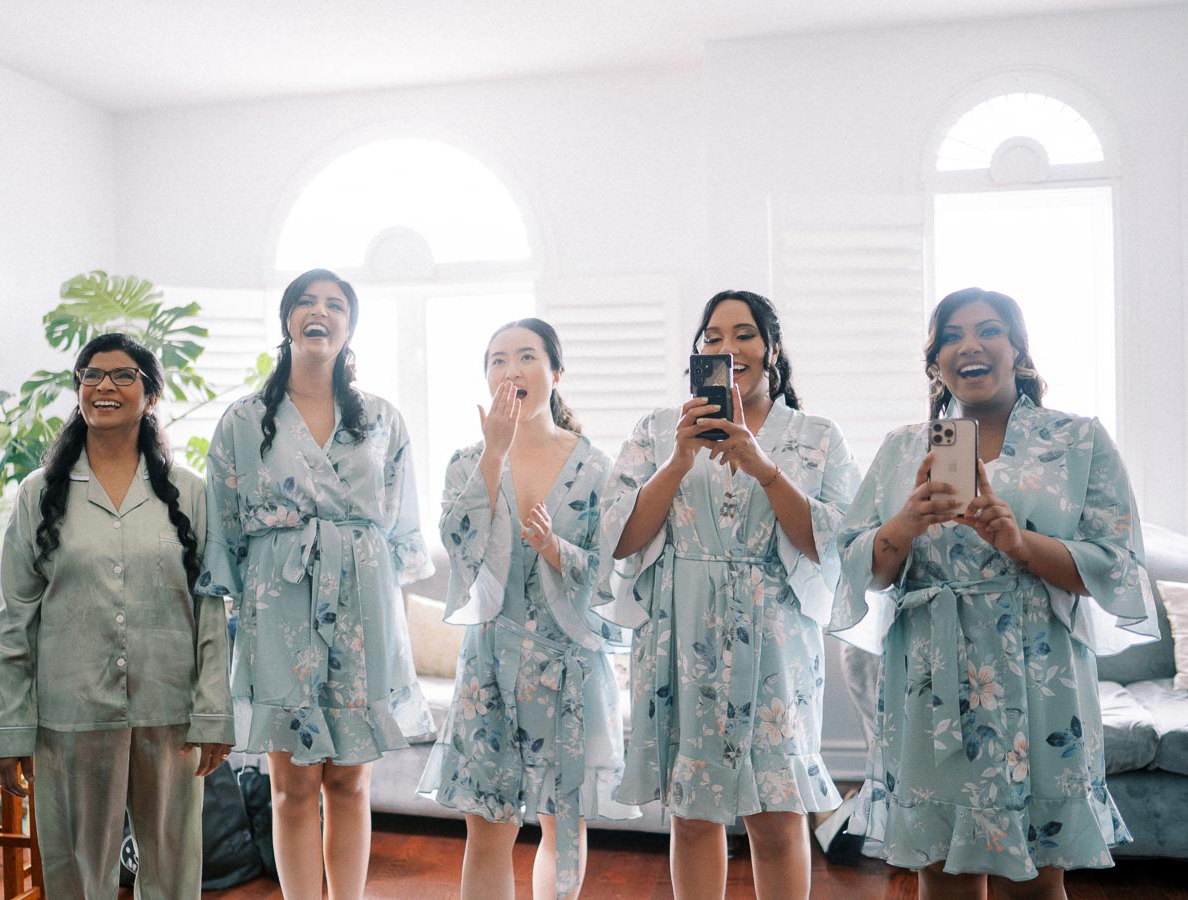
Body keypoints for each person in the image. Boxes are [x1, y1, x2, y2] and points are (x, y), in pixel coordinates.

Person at [830, 287, 1159, 898]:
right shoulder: (905, 447)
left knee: (1033, 879)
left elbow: (1116, 568)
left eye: (988, 331)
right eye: (951, 336)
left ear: (1018, 350)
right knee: (942, 875)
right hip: (931, 674)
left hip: (1040, 675)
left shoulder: (1078, 441)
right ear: (936, 362)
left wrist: (1019, 542)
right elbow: (860, 572)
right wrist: (906, 522)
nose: (969, 345)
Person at [594, 290, 859, 900]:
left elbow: (833, 543)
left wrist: (762, 465)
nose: (727, 347)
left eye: (744, 333)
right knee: (693, 813)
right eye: (712, 336)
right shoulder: (658, 430)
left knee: (777, 812)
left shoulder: (816, 436)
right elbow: (620, 536)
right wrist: (680, 460)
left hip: (776, 636)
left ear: (771, 348)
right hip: (679, 631)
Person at [201, 268, 434, 900]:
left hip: (362, 602)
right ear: (286, 321)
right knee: (292, 785)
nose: (320, 312)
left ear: (349, 326)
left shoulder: (383, 419)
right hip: (276, 606)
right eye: (306, 302)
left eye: (335, 305)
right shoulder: (246, 421)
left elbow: (398, 524)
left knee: (351, 782)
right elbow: (222, 528)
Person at [0, 332, 233, 898]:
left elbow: (211, 610)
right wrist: (8, 730)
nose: (105, 385)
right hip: (69, 714)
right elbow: (13, 619)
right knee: (75, 871)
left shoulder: (190, 494)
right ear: (78, 392)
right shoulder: (37, 495)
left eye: (124, 375)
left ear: (149, 397)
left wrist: (214, 712)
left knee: (173, 871)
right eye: (92, 375)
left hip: (168, 707)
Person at [418, 318, 638, 899]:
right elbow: (458, 544)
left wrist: (554, 549)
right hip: (488, 663)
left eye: (525, 356)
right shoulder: (468, 461)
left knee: (563, 824)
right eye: (496, 360)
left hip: (569, 667)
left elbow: (615, 574)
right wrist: (495, 452)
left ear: (556, 373)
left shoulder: (596, 467)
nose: (510, 370)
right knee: (487, 824)